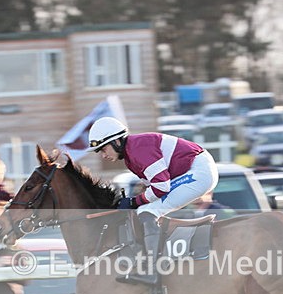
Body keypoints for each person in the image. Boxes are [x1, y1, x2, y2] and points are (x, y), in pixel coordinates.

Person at [87, 116, 219, 285]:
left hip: (199, 172)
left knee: (147, 211)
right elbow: (152, 191)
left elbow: (161, 187)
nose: (103, 155)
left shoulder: (138, 149)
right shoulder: (130, 156)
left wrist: (135, 202)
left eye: (103, 149)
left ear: (117, 142)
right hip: (195, 169)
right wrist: (134, 201)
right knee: (146, 209)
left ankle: (152, 271)